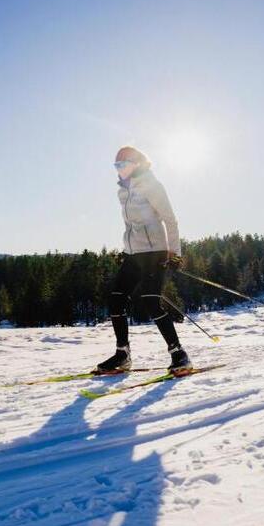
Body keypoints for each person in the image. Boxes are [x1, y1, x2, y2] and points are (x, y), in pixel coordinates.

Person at [93, 146, 192, 375]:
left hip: (154, 253)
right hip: (133, 254)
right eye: (115, 166)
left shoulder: (152, 185)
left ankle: (179, 354)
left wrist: (174, 253)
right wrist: (126, 249)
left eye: (122, 164)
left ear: (136, 163)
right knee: (115, 300)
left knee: (150, 301)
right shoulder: (122, 191)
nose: (118, 170)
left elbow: (170, 220)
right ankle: (122, 355)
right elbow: (132, 226)